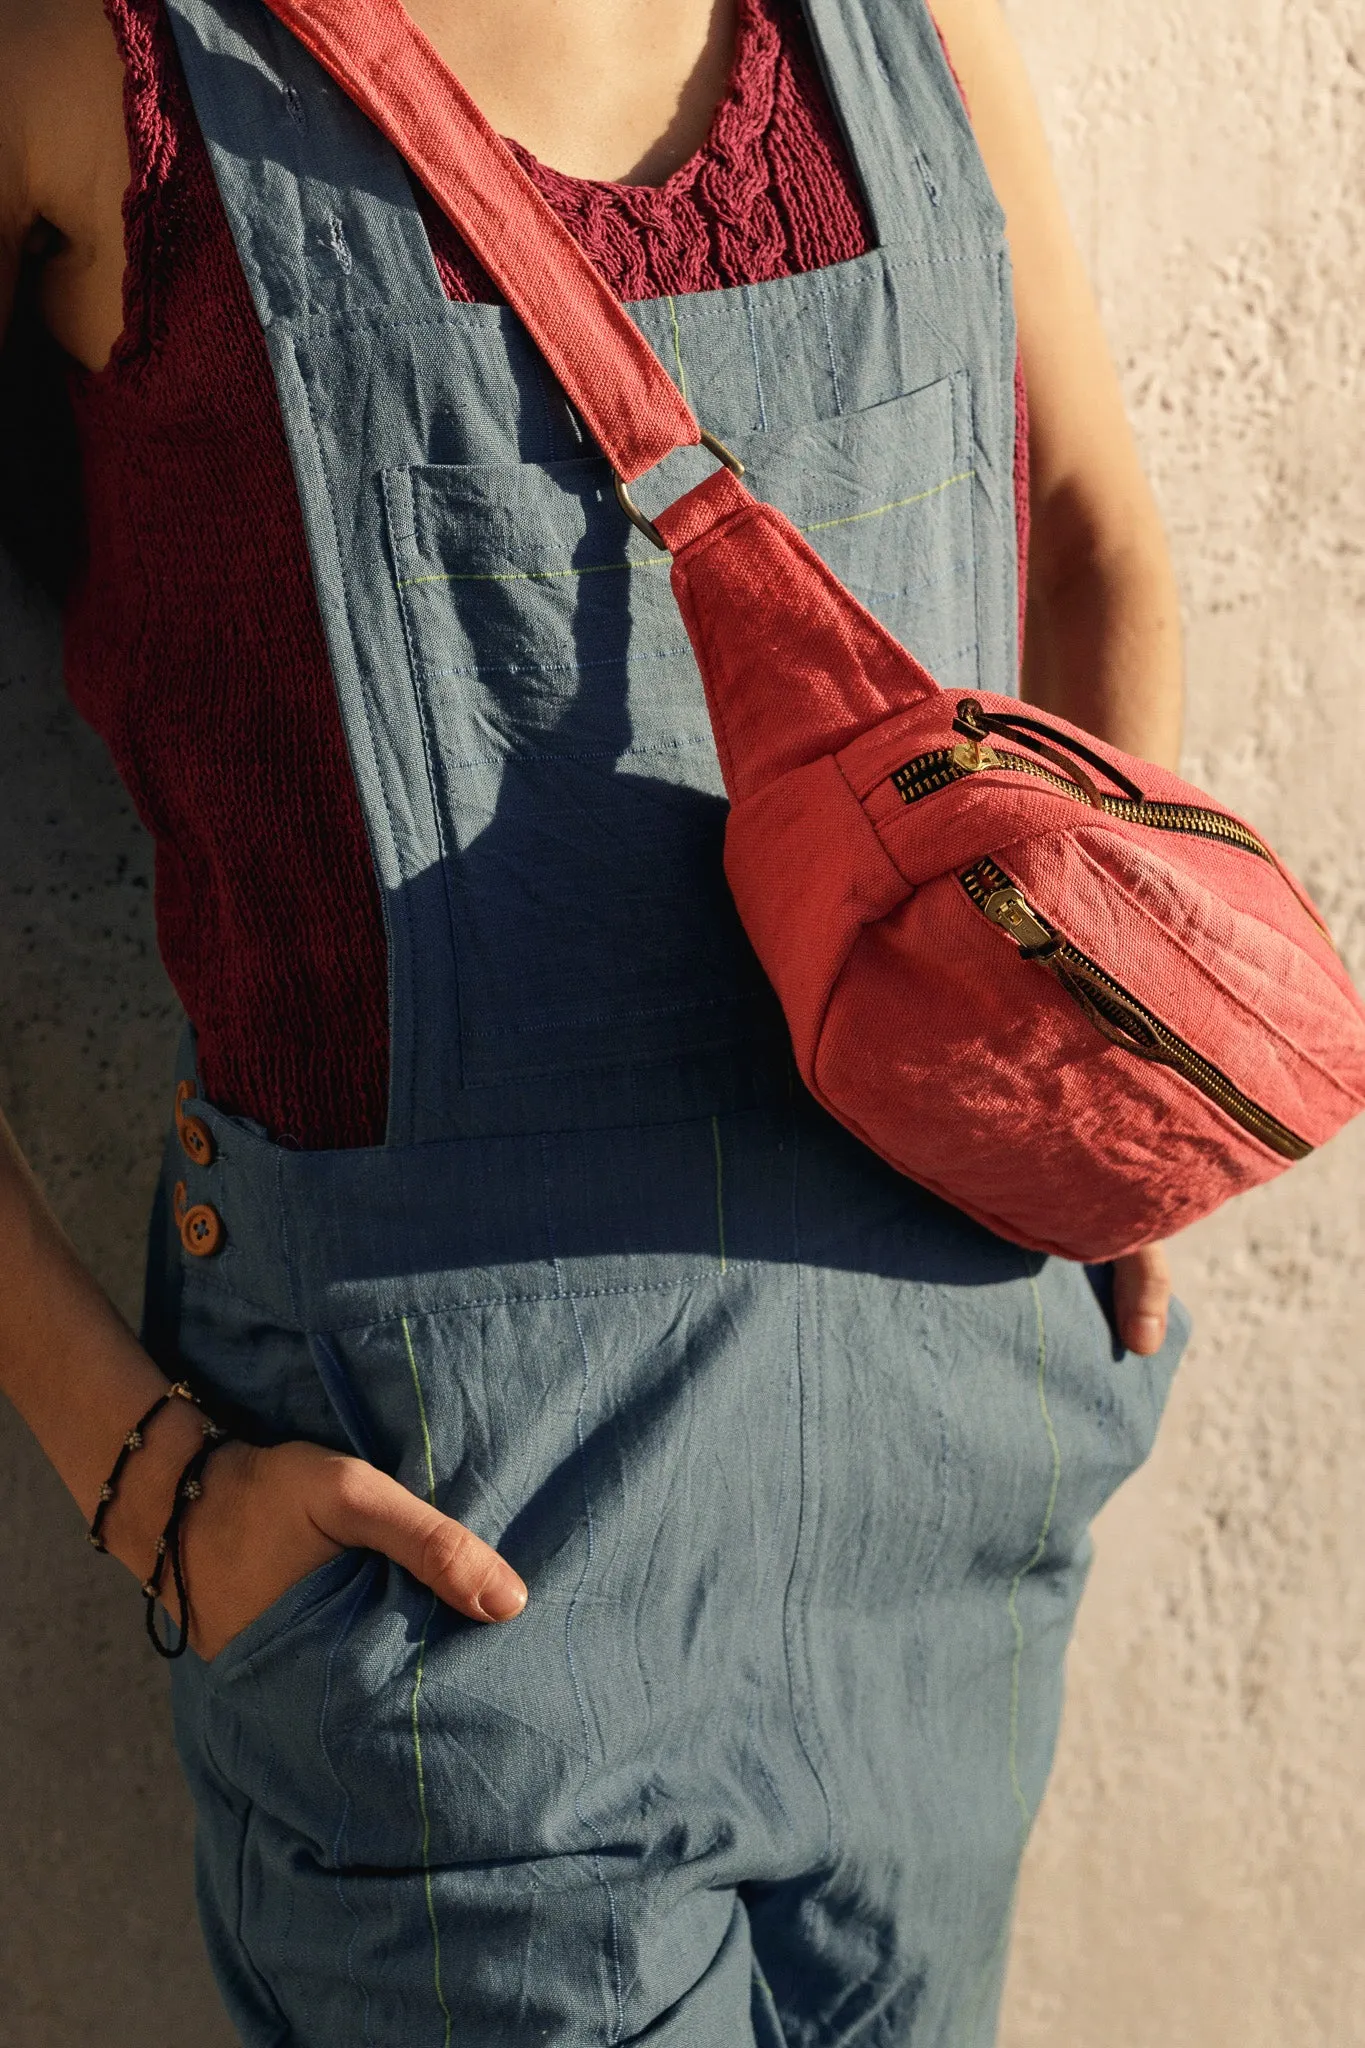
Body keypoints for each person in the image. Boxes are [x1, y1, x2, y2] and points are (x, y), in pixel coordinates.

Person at [0, 0, 1189, 2039]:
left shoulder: (901, 36)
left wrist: (1101, 1075)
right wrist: (138, 1464)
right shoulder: (89, 68)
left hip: (950, 1525)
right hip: (463, 1591)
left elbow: (1085, 529)